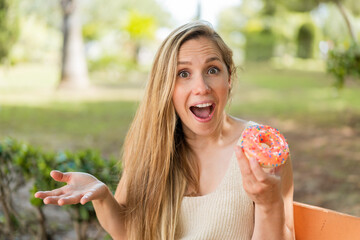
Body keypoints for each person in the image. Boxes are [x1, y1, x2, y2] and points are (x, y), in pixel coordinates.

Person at [35, 21, 295, 240]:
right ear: (165, 87)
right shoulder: (153, 147)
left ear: (229, 77)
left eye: (212, 70)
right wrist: (103, 197)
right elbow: (129, 232)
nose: (201, 87)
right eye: (183, 74)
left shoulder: (262, 148)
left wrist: (268, 204)